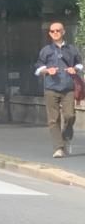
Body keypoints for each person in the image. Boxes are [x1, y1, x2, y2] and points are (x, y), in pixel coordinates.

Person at [34, 21, 83, 158]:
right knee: (53, 120)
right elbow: (38, 67)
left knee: (70, 116)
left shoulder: (71, 49)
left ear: (63, 32)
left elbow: (80, 64)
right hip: (51, 88)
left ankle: (66, 137)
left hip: (68, 88)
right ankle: (58, 148)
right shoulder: (46, 50)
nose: (55, 33)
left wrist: (75, 69)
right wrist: (47, 70)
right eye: (52, 31)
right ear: (50, 34)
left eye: (58, 30)